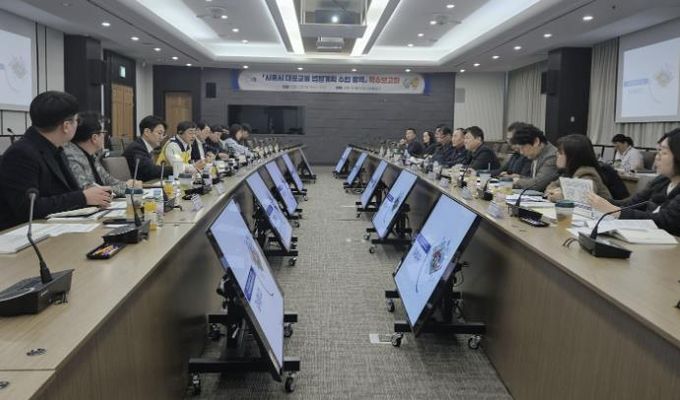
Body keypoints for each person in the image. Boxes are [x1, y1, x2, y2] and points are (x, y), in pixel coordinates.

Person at [0, 91, 112, 230]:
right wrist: (82, 197)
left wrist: (92, 196)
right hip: (24, 233)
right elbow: (28, 208)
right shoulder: (21, 154)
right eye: (76, 121)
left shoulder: (57, 149)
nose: (77, 125)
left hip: (54, 226)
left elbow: (66, 193)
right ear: (66, 126)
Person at [588, 128, 680, 235]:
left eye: (663, 152)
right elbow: (631, 203)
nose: (657, 158)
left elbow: (665, 220)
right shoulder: (661, 181)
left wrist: (615, 211)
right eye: (658, 152)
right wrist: (598, 201)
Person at [64, 112, 140, 196]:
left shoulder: (92, 156)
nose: (104, 136)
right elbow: (90, 191)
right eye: (103, 133)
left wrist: (129, 185)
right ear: (94, 138)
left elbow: (109, 180)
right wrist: (126, 187)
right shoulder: (72, 157)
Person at [544, 134, 611, 202]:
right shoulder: (568, 172)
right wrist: (557, 193)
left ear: (573, 156)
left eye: (560, 153)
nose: (557, 154)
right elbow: (550, 187)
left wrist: (558, 195)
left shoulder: (587, 174)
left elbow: (581, 198)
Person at [122, 115, 173, 181]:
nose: (161, 137)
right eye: (159, 133)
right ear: (146, 132)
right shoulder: (136, 148)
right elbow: (150, 171)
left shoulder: (143, 146)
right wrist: (176, 169)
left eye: (163, 134)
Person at [510, 124, 559, 191]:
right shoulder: (537, 153)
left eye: (522, 148)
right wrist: (520, 177)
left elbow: (537, 184)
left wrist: (517, 181)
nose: (521, 152)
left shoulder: (551, 156)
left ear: (536, 141)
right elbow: (535, 179)